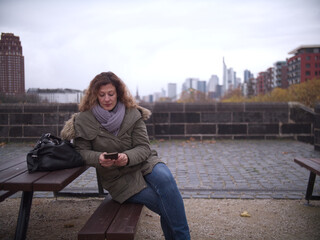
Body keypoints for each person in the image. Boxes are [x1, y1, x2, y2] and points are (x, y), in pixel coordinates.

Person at [61, 71, 190, 240]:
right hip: (117, 178)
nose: (107, 99)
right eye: (102, 95)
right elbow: (80, 152)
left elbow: (144, 147)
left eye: (111, 94)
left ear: (118, 93)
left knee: (166, 181)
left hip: (145, 163)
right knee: (166, 203)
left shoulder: (133, 113)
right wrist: (98, 158)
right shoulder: (83, 120)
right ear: (95, 96)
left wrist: (127, 157)